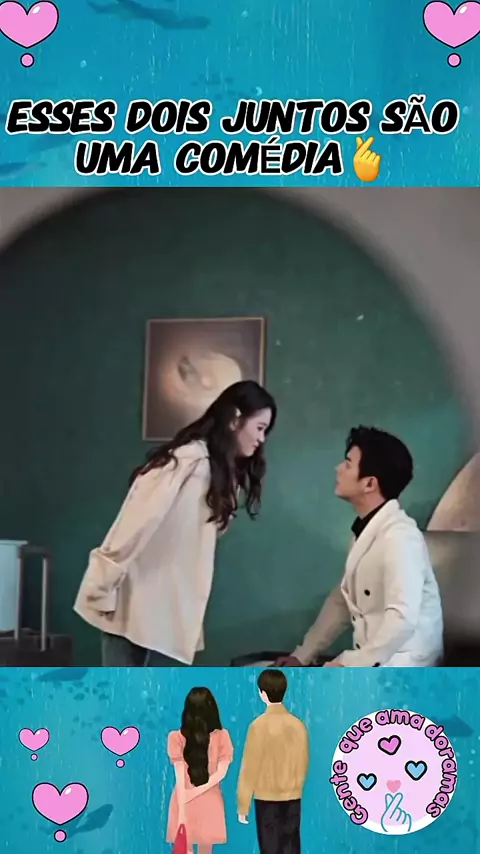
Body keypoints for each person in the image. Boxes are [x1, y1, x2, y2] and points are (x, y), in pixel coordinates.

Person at [73, 379, 276, 666]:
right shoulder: (186, 461)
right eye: (260, 428)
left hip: (161, 613)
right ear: (235, 420)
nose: (261, 439)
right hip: (133, 604)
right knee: (123, 691)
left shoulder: (215, 473)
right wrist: (102, 583)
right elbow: (135, 523)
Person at [276, 426, 444, 668]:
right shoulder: (367, 530)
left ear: (369, 483)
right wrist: (302, 655)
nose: (338, 469)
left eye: (347, 464)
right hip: (373, 664)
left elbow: (402, 619)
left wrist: (348, 665)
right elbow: (342, 601)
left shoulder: (401, 538)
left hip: (405, 669)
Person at [237, 669, 309, 854]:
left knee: (270, 848)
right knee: (291, 847)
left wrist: (243, 804)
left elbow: (250, 768)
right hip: (293, 797)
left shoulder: (258, 726)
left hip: (266, 799)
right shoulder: (298, 725)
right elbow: (303, 762)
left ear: (262, 693)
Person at [166, 687, 234, 854]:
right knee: (206, 850)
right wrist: (194, 793)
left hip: (183, 799)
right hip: (210, 800)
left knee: (186, 850)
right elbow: (220, 774)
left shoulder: (176, 737)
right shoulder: (222, 736)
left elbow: (180, 778)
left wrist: (184, 807)